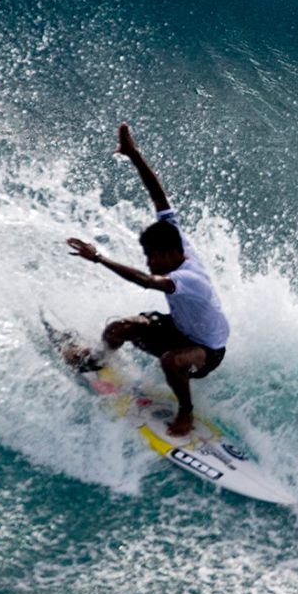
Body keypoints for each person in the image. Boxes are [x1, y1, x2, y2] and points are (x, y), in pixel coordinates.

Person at [65, 123, 230, 437]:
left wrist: (99, 258)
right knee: (119, 328)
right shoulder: (176, 237)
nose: (150, 261)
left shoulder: (190, 277)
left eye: (153, 256)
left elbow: (145, 281)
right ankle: (97, 359)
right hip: (180, 329)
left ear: (170, 253)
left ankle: (187, 411)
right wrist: (133, 155)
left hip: (207, 351)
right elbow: (159, 197)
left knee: (170, 361)